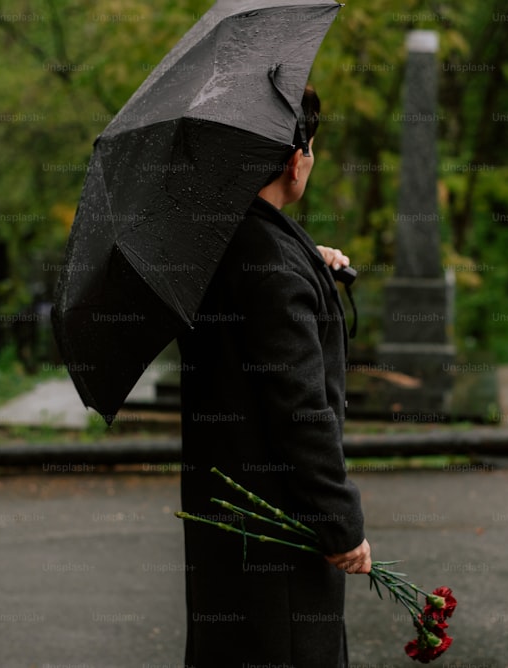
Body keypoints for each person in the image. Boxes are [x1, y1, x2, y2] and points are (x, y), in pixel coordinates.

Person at [177, 86, 370, 667]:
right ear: (295, 157)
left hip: (226, 520)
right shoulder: (273, 268)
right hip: (277, 526)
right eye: (311, 148)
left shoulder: (220, 241)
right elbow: (301, 412)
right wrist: (340, 523)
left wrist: (307, 261)